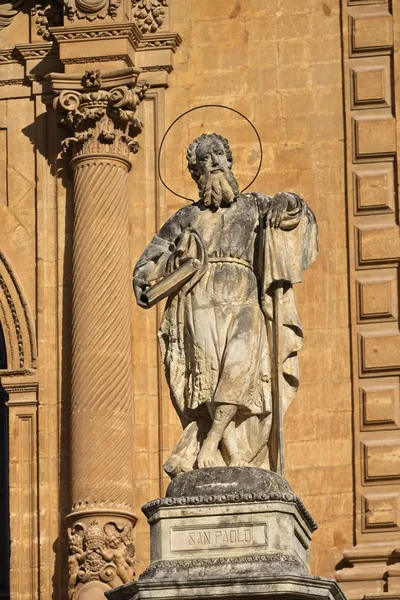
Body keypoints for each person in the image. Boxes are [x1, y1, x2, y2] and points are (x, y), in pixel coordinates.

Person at [133, 133, 318, 477]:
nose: (215, 161)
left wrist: (286, 201)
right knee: (207, 377)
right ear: (196, 171)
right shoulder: (185, 218)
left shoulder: (255, 206)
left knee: (240, 366)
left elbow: (299, 214)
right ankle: (230, 452)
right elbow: (146, 268)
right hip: (198, 303)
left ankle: (208, 443)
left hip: (245, 299)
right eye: (205, 158)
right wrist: (164, 268)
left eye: (219, 154)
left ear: (230, 160)